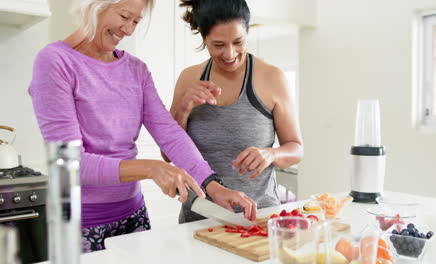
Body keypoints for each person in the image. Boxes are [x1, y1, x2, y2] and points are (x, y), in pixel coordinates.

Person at [28, 0, 256, 253]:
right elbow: (69, 162)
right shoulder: (55, 61)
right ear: (94, 5)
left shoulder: (136, 70)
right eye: (125, 16)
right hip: (80, 223)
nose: (129, 30)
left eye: (136, 21)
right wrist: (150, 168)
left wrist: (214, 187)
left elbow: (169, 134)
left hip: (133, 216)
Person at [168, 0, 304, 223]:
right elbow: (169, 153)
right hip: (198, 218)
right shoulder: (189, 78)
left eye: (238, 42)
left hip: (258, 218)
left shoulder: (272, 78)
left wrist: (270, 154)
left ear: (248, 33)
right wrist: (184, 108)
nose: (230, 54)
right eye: (218, 45)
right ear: (204, 39)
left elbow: (296, 150)